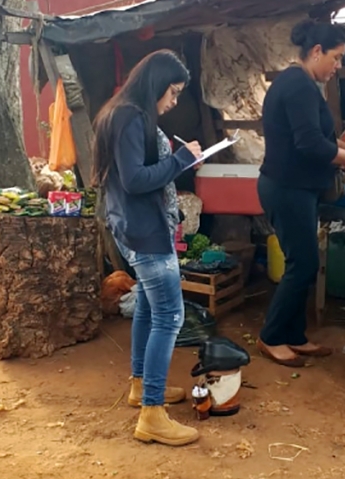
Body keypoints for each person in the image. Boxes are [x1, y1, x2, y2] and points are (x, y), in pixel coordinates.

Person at [91, 49, 203, 447]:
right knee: (171, 315)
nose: (173, 102)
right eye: (172, 93)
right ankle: (152, 414)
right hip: (145, 230)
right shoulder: (129, 116)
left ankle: (141, 387)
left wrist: (177, 162)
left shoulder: (123, 113)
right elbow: (136, 179)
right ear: (155, 84)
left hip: (137, 225)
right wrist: (180, 161)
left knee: (151, 307)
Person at [256, 19, 345, 367]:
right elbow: (309, 144)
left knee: (303, 263)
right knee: (304, 263)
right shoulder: (297, 85)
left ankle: (294, 336)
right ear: (316, 52)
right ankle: (271, 336)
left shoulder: (303, 84)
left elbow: (323, 139)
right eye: (336, 58)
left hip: (298, 189)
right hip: (286, 188)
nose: (338, 67)